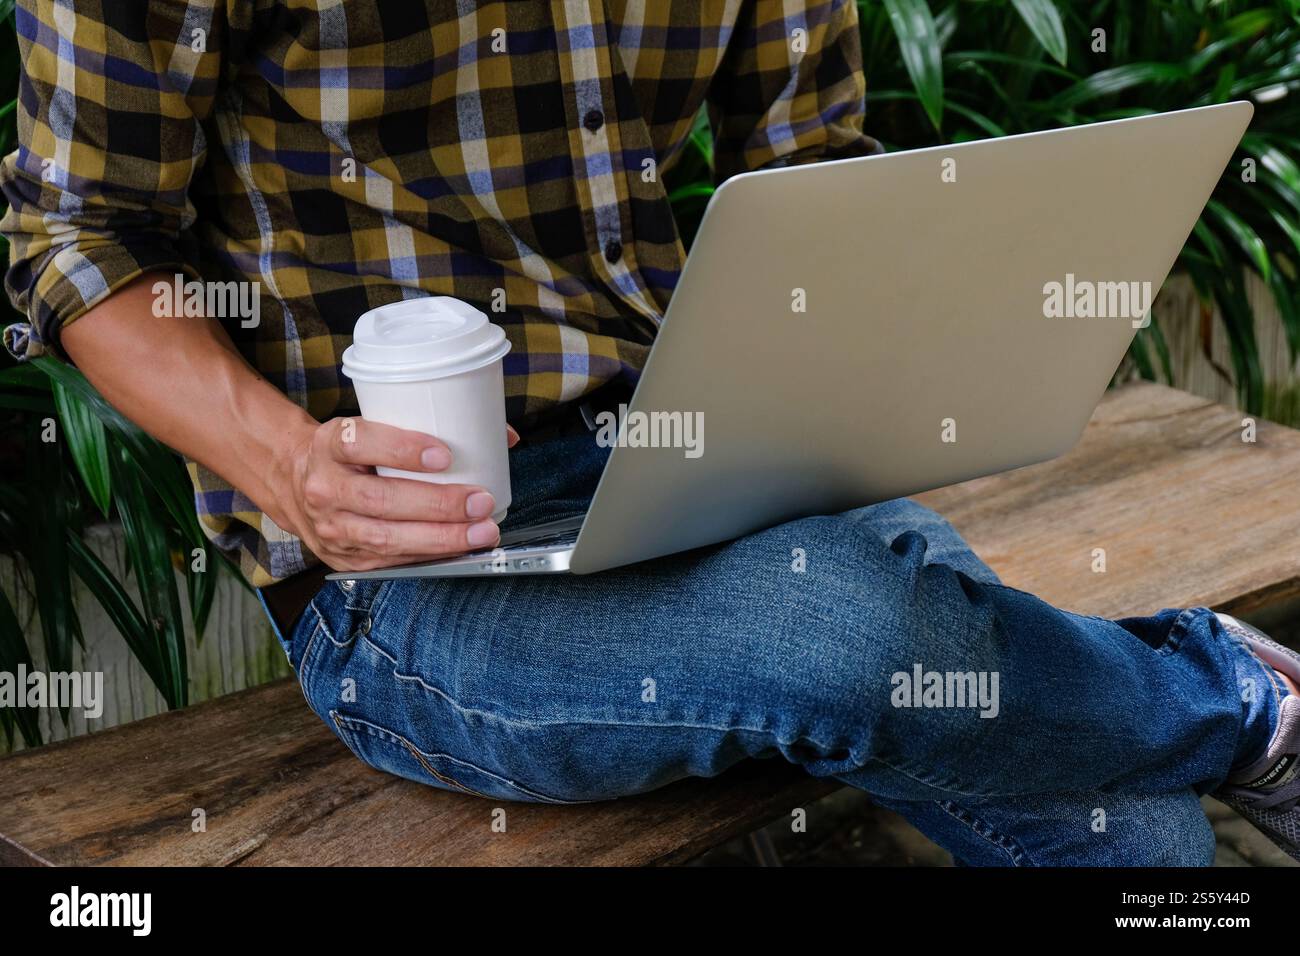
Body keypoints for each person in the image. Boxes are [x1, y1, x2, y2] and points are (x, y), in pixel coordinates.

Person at [2, 0, 1296, 866]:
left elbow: (810, 164)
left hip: (703, 442)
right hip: (404, 563)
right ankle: (1238, 699)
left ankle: (1222, 710)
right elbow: (77, 238)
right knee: (874, 639)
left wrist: (884, 364)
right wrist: (292, 469)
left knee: (1137, 840)